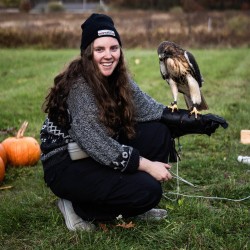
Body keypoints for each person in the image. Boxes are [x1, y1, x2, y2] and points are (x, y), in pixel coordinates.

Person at [40, 13, 228, 231]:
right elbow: (99, 145)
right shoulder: (79, 88)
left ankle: (129, 200)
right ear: (88, 53)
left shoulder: (119, 79)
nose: (108, 55)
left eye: (114, 48)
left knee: (158, 131)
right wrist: (148, 166)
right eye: (100, 49)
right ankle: (77, 207)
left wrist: (196, 121)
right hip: (66, 163)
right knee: (148, 192)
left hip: (94, 152)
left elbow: (151, 110)